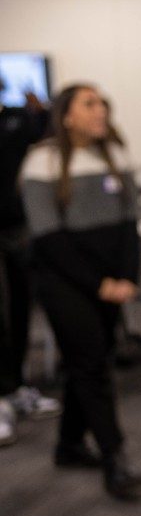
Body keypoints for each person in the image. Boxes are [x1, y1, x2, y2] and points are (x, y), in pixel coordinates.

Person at [20, 84, 141, 500]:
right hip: (65, 281)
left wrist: (127, 277)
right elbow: (49, 237)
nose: (101, 111)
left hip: (110, 283)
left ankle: (68, 445)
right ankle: (116, 457)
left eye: (103, 104)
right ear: (67, 115)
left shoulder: (115, 155)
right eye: (89, 104)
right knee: (92, 364)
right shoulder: (43, 161)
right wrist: (99, 284)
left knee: (88, 360)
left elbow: (131, 222)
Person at [1, 75, 61, 439]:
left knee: (20, 308)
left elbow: (49, 130)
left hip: (15, 229)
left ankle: (15, 385)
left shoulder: (15, 118)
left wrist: (39, 108)